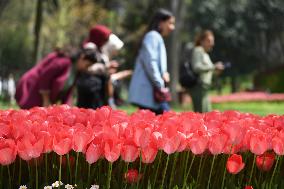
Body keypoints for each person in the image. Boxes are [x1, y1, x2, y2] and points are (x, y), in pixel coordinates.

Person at [15, 48, 97, 109]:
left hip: (42, 96)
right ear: (82, 57)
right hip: (33, 87)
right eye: (87, 65)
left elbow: (67, 93)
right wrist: (46, 99)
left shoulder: (76, 72)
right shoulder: (64, 61)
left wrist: (67, 108)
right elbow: (45, 75)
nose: (87, 68)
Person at [128, 9, 175, 114]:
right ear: (161, 23)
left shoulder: (155, 37)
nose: (172, 27)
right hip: (150, 93)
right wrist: (160, 84)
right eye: (170, 23)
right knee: (167, 119)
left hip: (152, 94)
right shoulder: (153, 36)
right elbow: (151, 62)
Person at [189, 30, 224, 113]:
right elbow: (196, 67)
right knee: (201, 114)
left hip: (205, 89)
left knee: (207, 113)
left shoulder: (206, 54)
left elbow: (209, 71)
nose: (212, 44)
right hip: (198, 87)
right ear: (202, 41)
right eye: (209, 41)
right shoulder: (198, 50)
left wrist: (217, 71)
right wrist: (213, 66)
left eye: (212, 41)